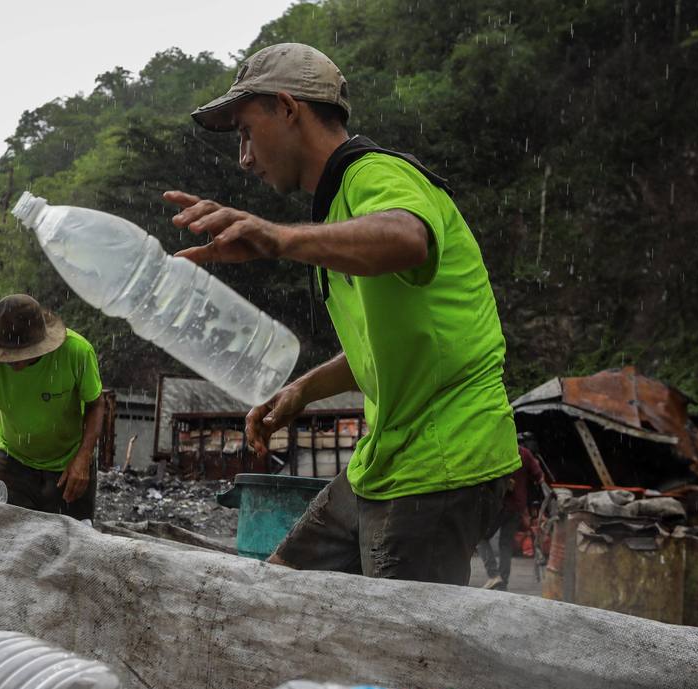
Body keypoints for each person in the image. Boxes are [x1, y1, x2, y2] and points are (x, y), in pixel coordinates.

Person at [167, 42, 519, 585]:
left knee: (395, 651)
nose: (244, 157)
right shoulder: (336, 210)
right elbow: (388, 344)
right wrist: (301, 391)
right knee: (279, 590)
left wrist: (278, 237)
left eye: (245, 131)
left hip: (439, 463)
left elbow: (408, 237)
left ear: (287, 108)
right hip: (383, 460)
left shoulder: (372, 174)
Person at [0, 294, 104, 520]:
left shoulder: (76, 352)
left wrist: (83, 457)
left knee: (73, 542)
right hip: (14, 463)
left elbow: (96, 405)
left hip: (68, 464)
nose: (12, 362)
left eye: (19, 355)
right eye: (5, 354)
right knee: (7, 537)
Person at [477, 444, 547, 590]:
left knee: (480, 537)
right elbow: (539, 476)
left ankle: (493, 575)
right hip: (518, 506)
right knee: (505, 544)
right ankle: (503, 583)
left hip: (501, 505)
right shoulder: (524, 453)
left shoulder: (498, 450)